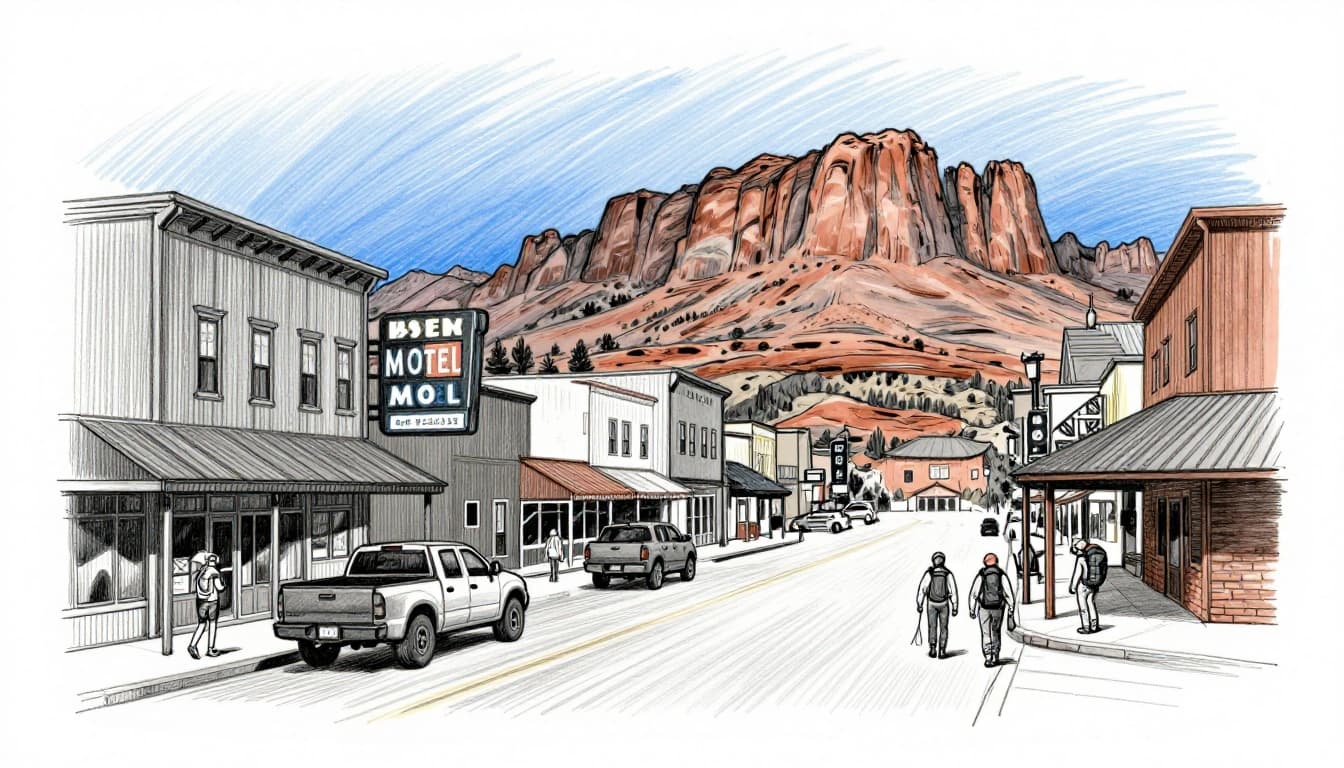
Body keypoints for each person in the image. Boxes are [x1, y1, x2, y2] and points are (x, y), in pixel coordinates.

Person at [968, 552, 1016, 667]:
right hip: (998, 608)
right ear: (997, 562)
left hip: (984, 608)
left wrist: (972, 609)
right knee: (996, 632)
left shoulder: (982, 574)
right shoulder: (1001, 574)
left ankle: (988, 657)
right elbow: (1008, 592)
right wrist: (1011, 607)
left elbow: (974, 593)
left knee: (986, 633)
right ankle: (995, 656)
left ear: (985, 563)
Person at [915, 552, 958, 659]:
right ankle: (942, 650)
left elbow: (922, 589)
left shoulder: (929, 573)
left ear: (933, 561)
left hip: (931, 603)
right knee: (944, 628)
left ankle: (933, 649)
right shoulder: (948, 574)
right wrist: (955, 606)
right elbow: (953, 591)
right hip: (944, 604)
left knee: (932, 626)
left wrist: (919, 604)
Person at [188, 553, 226, 659]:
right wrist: (223, 584)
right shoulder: (214, 572)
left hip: (201, 601)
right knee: (212, 624)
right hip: (212, 601)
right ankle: (210, 649)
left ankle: (192, 645)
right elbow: (219, 587)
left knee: (201, 624)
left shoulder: (201, 572)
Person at [1069, 538, 1108, 634]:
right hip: (1095, 584)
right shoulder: (1098, 550)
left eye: (1076, 549)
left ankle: (1086, 627)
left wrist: (1073, 587)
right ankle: (1094, 627)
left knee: (1083, 607)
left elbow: (1077, 573)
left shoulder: (1081, 558)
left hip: (1084, 585)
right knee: (1091, 604)